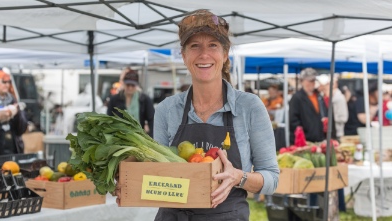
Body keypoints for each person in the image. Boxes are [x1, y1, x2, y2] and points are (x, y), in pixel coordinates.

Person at [115, 9, 279, 221]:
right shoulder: (167, 109)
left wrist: (238, 177)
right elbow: (159, 177)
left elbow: (272, 179)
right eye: (195, 46)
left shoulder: (249, 106)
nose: (204, 55)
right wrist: (129, 184)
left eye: (213, 45)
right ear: (184, 56)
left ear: (225, 53)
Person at [289, 68, 336, 144]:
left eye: (313, 80)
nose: (312, 83)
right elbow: (293, 120)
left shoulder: (319, 96)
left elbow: (326, 113)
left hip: (320, 138)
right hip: (306, 140)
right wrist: (302, 135)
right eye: (309, 81)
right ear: (302, 81)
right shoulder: (297, 98)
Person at [107, 69, 155, 137]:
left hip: (139, 137)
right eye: (128, 85)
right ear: (123, 83)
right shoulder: (114, 100)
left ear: (137, 85)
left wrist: (152, 137)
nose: (130, 88)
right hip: (118, 138)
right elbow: (109, 118)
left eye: (133, 85)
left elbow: (152, 120)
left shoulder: (144, 100)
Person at [0, 70, 28, 155]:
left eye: (9, 82)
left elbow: (21, 129)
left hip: (12, 146)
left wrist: (17, 113)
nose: (7, 85)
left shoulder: (13, 100)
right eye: (4, 82)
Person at [317, 75, 348, 140]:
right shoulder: (320, 97)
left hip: (336, 134)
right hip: (323, 134)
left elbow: (343, 118)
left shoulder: (339, 98)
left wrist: (328, 120)